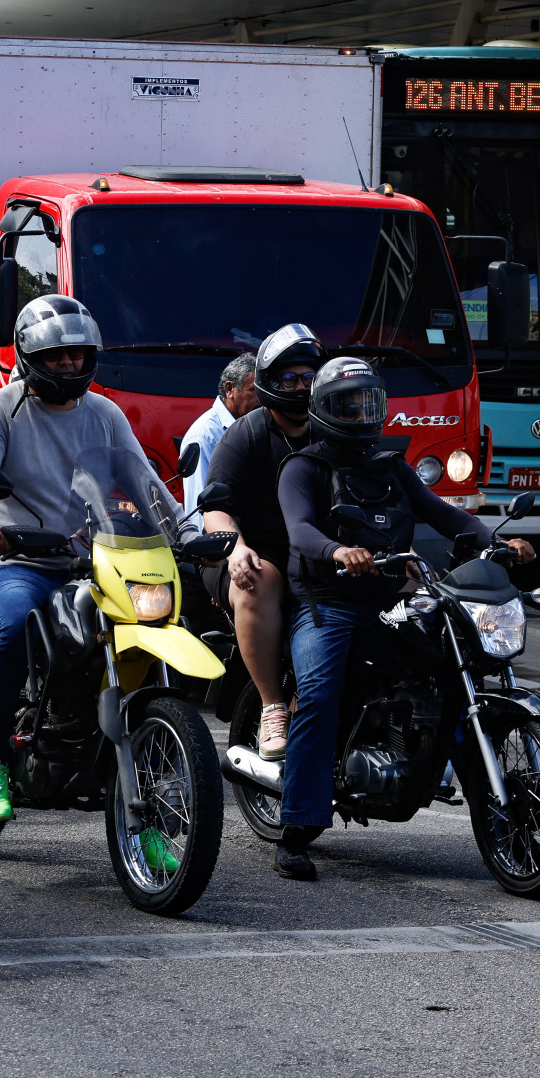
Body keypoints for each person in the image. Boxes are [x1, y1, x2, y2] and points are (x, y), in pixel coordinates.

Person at [274, 357, 534, 881]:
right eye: (348, 406)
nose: (360, 414)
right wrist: (336, 551)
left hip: (390, 599)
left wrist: (498, 541)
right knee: (319, 694)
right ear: (323, 409)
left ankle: (440, 772)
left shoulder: (390, 466)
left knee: (448, 667)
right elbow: (299, 530)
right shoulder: (303, 468)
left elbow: (446, 513)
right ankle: (296, 828)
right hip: (326, 602)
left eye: (367, 404)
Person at [0, 295, 185, 826]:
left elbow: (145, 483)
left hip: (87, 563)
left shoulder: (104, 414)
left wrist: (187, 531)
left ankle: (138, 758)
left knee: (155, 621)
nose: (68, 364)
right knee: (17, 621)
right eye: (55, 356)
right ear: (30, 356)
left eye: (77, 354)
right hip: (9, 564)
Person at [201, 324, 325, 759]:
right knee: (257, 579)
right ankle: (273, 707)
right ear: (269, 382)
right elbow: (214, 510)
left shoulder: (332, 430)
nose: (301, 387)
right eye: (289, 379)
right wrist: (236, 549)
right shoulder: (246, 434)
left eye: (309, 377)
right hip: (254, 551)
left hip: (318, 551)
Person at [180, 352, 259, 504]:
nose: (260, 398)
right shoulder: (205, 435)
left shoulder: (256, 426)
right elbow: (199, 505)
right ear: (230, 389)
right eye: (253, 390)